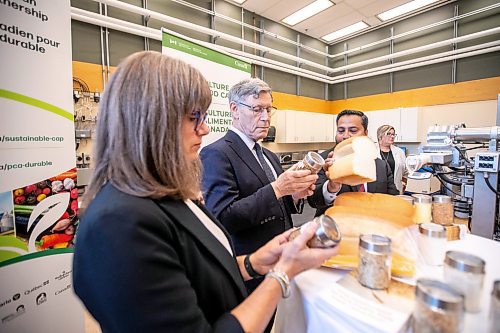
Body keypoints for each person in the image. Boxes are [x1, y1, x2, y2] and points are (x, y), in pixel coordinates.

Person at [72, 51, 337, 333]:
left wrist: (252, 262)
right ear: (151, 122)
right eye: (193, 117)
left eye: (204, 116)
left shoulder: (166, 195)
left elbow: (198, 268)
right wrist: (282, 273)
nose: (205, 128)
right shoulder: (117, 225)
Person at [200, 78, 318, 294]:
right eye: (256, 110)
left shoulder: (270, 156)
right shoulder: (216, 154)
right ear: (234, 109)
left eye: (268, 109)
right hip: (249, 269)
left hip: (282, 260)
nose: (265, 118)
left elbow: (279, 205)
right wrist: (278, 188)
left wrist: (295, 195)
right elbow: (222, 218)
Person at [308, 109, 398, 217]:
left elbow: (392, 198)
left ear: (365, 133)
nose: (346, 135)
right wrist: (332, 187)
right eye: (341, 131)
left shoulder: (381, 166)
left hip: (372, 227)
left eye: (353, 130)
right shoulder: (323, 161)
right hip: (335, 229)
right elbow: (313, 201)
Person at [376, 125, 408, 194]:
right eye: (388, 134)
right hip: (377, 189)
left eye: (393, 134)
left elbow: (405, 171)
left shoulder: (399, 152)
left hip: (395, 189)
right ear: (380, 136)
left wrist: (404, 183)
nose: (392, 136)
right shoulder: (372, 150)